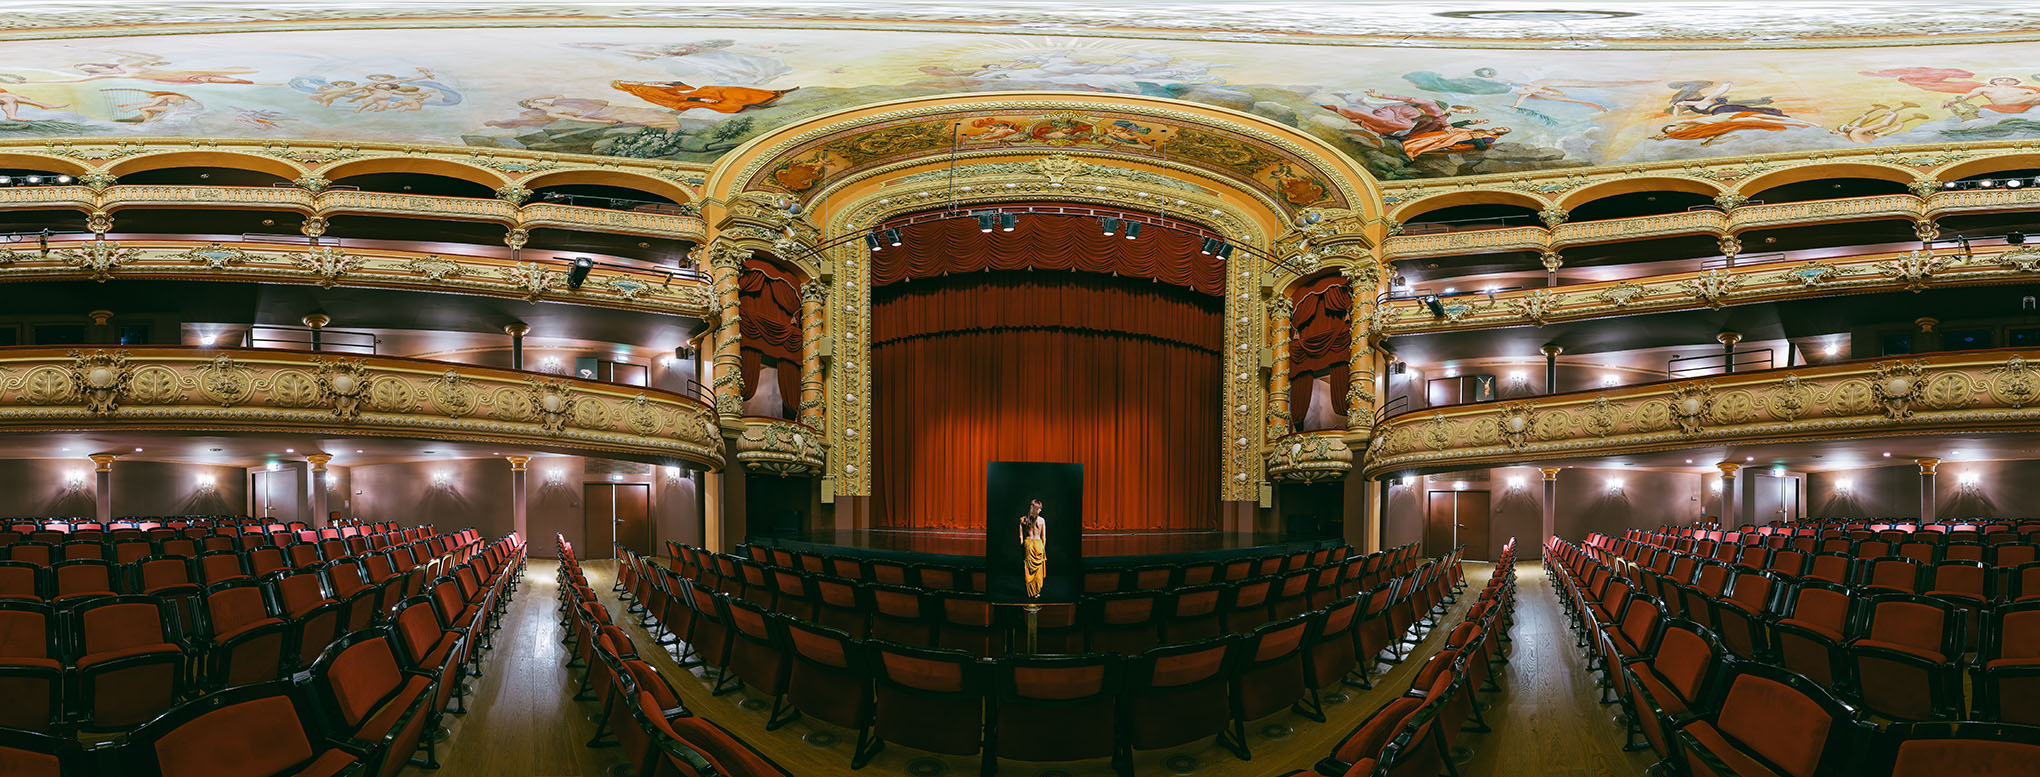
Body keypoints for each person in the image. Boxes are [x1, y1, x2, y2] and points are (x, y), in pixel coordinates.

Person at [1019, 499, 1047, 599]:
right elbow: (1044, 537)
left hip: (1029, 544)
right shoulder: (1042, 520)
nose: (1040, 511)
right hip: (1038, 544)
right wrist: (1043, 549)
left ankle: (1031, 591)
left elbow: (1021, 535)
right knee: (1038, 570)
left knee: (1029, 569)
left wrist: (1022, 542)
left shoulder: (1023, 519)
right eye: (1039, 509)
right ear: (1035, 509)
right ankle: (1036, 591)